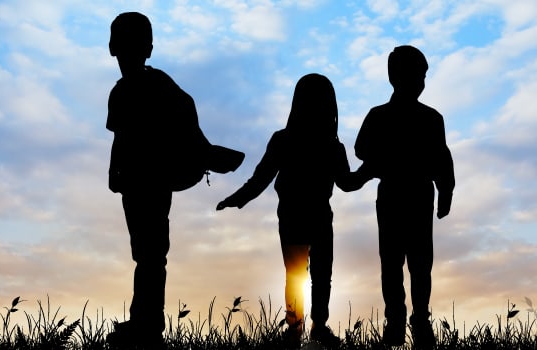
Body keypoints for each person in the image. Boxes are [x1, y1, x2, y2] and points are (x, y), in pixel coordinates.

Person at [104, 11, 224, 347]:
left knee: (151, 252)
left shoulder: (152, 86)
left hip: (151, 179)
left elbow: (182, 118)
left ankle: (147, 324)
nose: (125, 50)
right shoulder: (126, 91)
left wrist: (203, 152)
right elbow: (121, 137)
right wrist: (115, 173)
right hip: (137, 178)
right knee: (147, 252)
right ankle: (144, 320)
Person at [217, 73, 356, 347]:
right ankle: (309, 327)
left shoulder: (292, 140)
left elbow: (261, 178)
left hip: (299, 214)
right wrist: (238, 197)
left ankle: (302, 327)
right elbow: (347, 183)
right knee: (317, 274)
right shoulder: (326, 144)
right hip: (309, 214)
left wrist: (238, 197)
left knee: (301, 273)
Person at [351, 45, 455, 348]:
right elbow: (361, 149)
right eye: (417, 76)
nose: (421, 82)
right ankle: (396, 319)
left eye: (423, 77)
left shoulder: (432, 119)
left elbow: (442, 158)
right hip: (396, 196)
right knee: (393, 262)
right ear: (395, 77)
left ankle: (419, 319)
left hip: (419, 196)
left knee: (421, 263)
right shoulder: (381, 116)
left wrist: (446, 190)